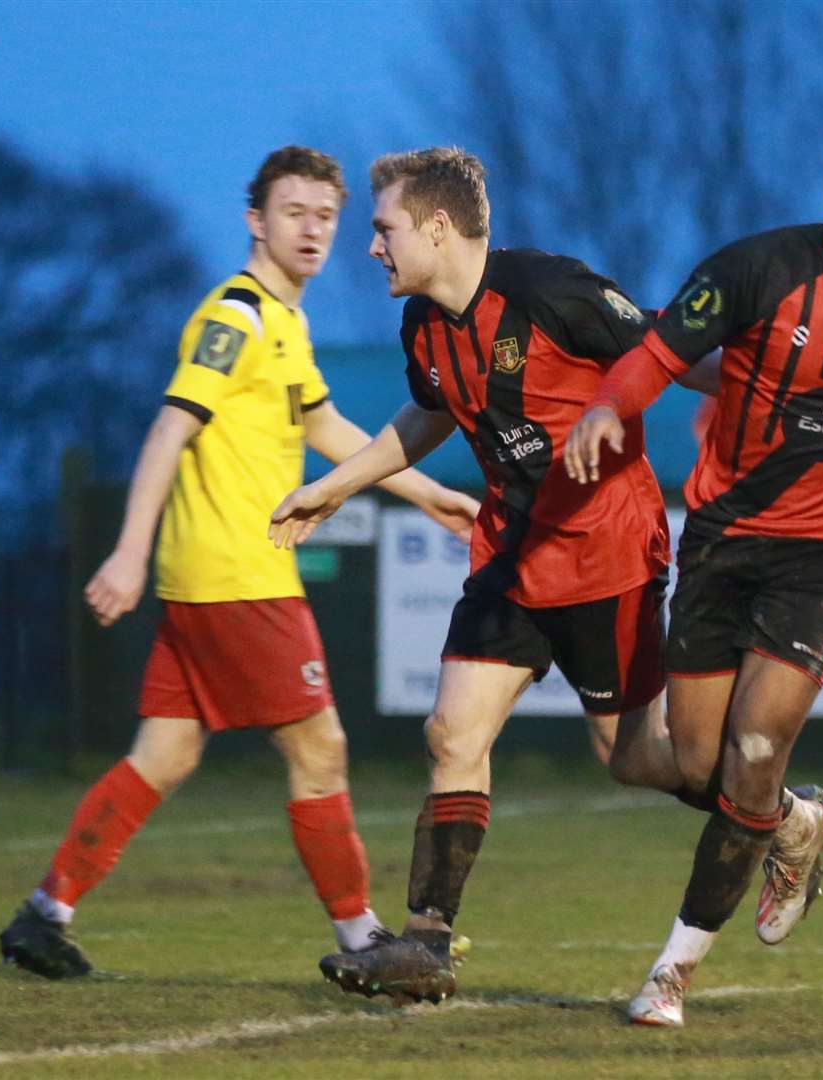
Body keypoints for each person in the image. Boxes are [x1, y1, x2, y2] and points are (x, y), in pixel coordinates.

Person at [0, 145, 480, 980]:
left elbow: (327, 432)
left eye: (326, 215)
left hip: (212, 580)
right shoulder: (238, 317)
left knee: (166, 755)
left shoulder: (285, 322)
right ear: (255, 221)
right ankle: (363, 937)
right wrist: (125, 551)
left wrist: (428, 494)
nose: (312, 229)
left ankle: (45, 914)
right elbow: (168, 428)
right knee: (320, 748)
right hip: (236, 575)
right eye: (292, 212)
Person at [269, 146, 720, 1005]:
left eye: (383, 228)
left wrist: (765, 393)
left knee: (631, 760)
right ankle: (426, 944)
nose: (371, 247)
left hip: (607, 557)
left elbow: (666, 352)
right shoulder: (423, 325)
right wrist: (331, 486)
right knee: (451, 735)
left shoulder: (551, 292)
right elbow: (429, 412)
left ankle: (772, 814)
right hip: (511, 556)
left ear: (438, 228)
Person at [565, 130, 823, 1027]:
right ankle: (795, 822)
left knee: (753, 751)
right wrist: (604, 406)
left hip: (821, 557)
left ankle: (668, 975)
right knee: (678, 760)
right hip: (720, 544)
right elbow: (658, 358)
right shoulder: (756, 272)